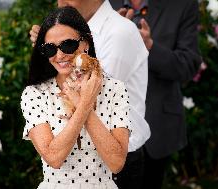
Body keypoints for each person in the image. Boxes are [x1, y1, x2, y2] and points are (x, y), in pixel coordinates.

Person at [30, 1, 151, 187]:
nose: (60, 2)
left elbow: (92, 89)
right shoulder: (79, 30)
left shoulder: (120, 32)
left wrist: (53, 51)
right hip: (71, 160)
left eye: (69, 45)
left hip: (114, 157)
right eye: (49, 48)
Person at [113, 0, 202, 188]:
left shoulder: (183, 5)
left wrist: (149, 47)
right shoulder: (100, 3)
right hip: (104, 124)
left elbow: (188, 65)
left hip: (156, 128)